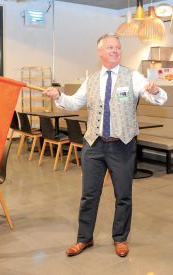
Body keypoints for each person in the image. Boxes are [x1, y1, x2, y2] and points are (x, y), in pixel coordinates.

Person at [45, 33, 167, 257]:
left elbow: (159, 99)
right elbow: (73, 102)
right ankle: (84, 239)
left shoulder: (133, 77)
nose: (115, 50)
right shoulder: (91, 79)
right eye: (110, 47)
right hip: (94, 145)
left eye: (118, 47)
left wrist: (155, 90)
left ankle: (120, 238)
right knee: (89, 194)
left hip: (122, 145)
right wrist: (59, 95)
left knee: (123, 195)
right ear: (100, 51)